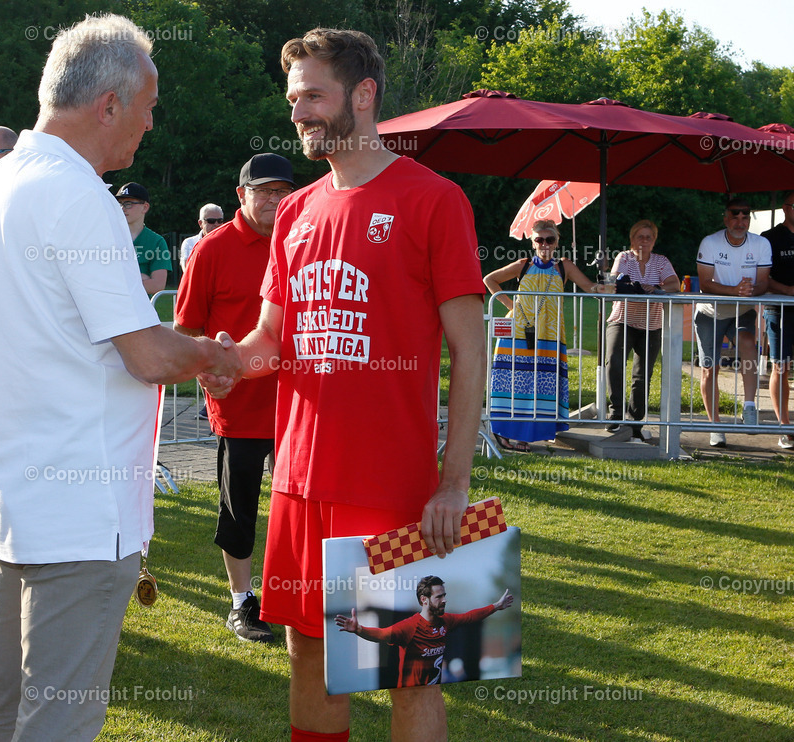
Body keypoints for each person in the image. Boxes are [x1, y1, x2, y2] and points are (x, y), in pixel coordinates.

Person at [0, 14, 241, 741]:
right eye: (147, 107)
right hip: (80, 514)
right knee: (58, 718)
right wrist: (214, 356)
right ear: (107, 104)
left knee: (4, 706)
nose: (148, 126)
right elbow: (145, 353)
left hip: (16, 502)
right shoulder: (80, 197)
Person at [207, 28, 486, 742]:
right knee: (309, 653)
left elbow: (469, 350)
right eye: (293, 98)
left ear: (363, 96)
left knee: (407, 670)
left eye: (313, 96)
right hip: (299, 478)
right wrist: (222, 359)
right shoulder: (296, 212)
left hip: (391, 484)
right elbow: (271, 342)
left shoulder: (434, 199)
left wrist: (452, 484)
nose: (298, 112)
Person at [175, 154, 294, 643]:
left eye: (281, 191)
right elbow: (185, 328)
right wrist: (209, 372)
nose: (273, 200)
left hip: (298, 405)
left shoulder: (301, 242)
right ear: (241, 195)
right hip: (240, 406)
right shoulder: (212, 249)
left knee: (297, 506)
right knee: (239, 506)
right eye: (262, 191)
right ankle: (242, 602)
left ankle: (296, 594)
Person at [484, 219, 609, 453]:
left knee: (541, 385)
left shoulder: (564, 266)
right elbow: (489, 280)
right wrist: (512, 306)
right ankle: (502, 432)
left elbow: (588, 287)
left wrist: (605, 285)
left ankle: (529, 434)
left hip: (550, 336)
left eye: (549, 239)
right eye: (539, 239)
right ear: (532, 243)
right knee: (512, 382)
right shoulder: (523, 265)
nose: (544, 244)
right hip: (519, 332)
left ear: (556, 242)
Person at [335, 577, 514, 688]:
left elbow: (470, 617)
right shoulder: (409, 626)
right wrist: (359, 629)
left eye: (444, 595)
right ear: (424, 600)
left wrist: (496, 606)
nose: (444, 600)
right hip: (411, 693)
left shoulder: (446, 621)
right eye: (439, 597)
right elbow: (382, 634)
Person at [695, 197, 771, 448]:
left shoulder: (761, 243)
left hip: (742, 309)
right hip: (711, 311)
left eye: (746, 216)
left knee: (749, 345)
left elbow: (763, 282)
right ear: (726, 218)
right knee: (709, 368)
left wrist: (751, 291)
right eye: (735, 215)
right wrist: (735, 290)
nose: (740, 221)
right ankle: (715, 426)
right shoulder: (710, 241)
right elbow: (705, 284)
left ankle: (749, 407)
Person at [605, 220, 681, 440]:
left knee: (642, 374)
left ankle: (636, 420)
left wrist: (655, 288)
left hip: (651, 323)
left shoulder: (661, 261)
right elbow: (616, 283)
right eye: (640, 236)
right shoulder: (624, 257)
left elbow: (674, 284)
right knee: (614, 362)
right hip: (622, 319)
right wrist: (636, 288)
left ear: (654, 241)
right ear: (632, 239)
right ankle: (615, 413)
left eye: (649, 237)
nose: (644, 241)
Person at [762, 190, 794, 449]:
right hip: (778, 309)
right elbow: (762, 277)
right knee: (780, 367)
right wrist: (787, 291)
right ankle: (785, 427)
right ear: (785, 208)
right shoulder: (769, 238)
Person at [115, 181, 171, 294]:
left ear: (145, 207)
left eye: (128, 203)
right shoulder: (107, 236)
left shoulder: (156, 242)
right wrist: (140, 277)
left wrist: (118, 281)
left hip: (141, 309)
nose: (122, 208)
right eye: (120, 203)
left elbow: (157, 285)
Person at [179, 203, 225, 272]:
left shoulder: (229, 243)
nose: (216, 224)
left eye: (220, 221)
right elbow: (188, 270)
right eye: (211, 221)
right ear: (200, 223)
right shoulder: (189, 243)